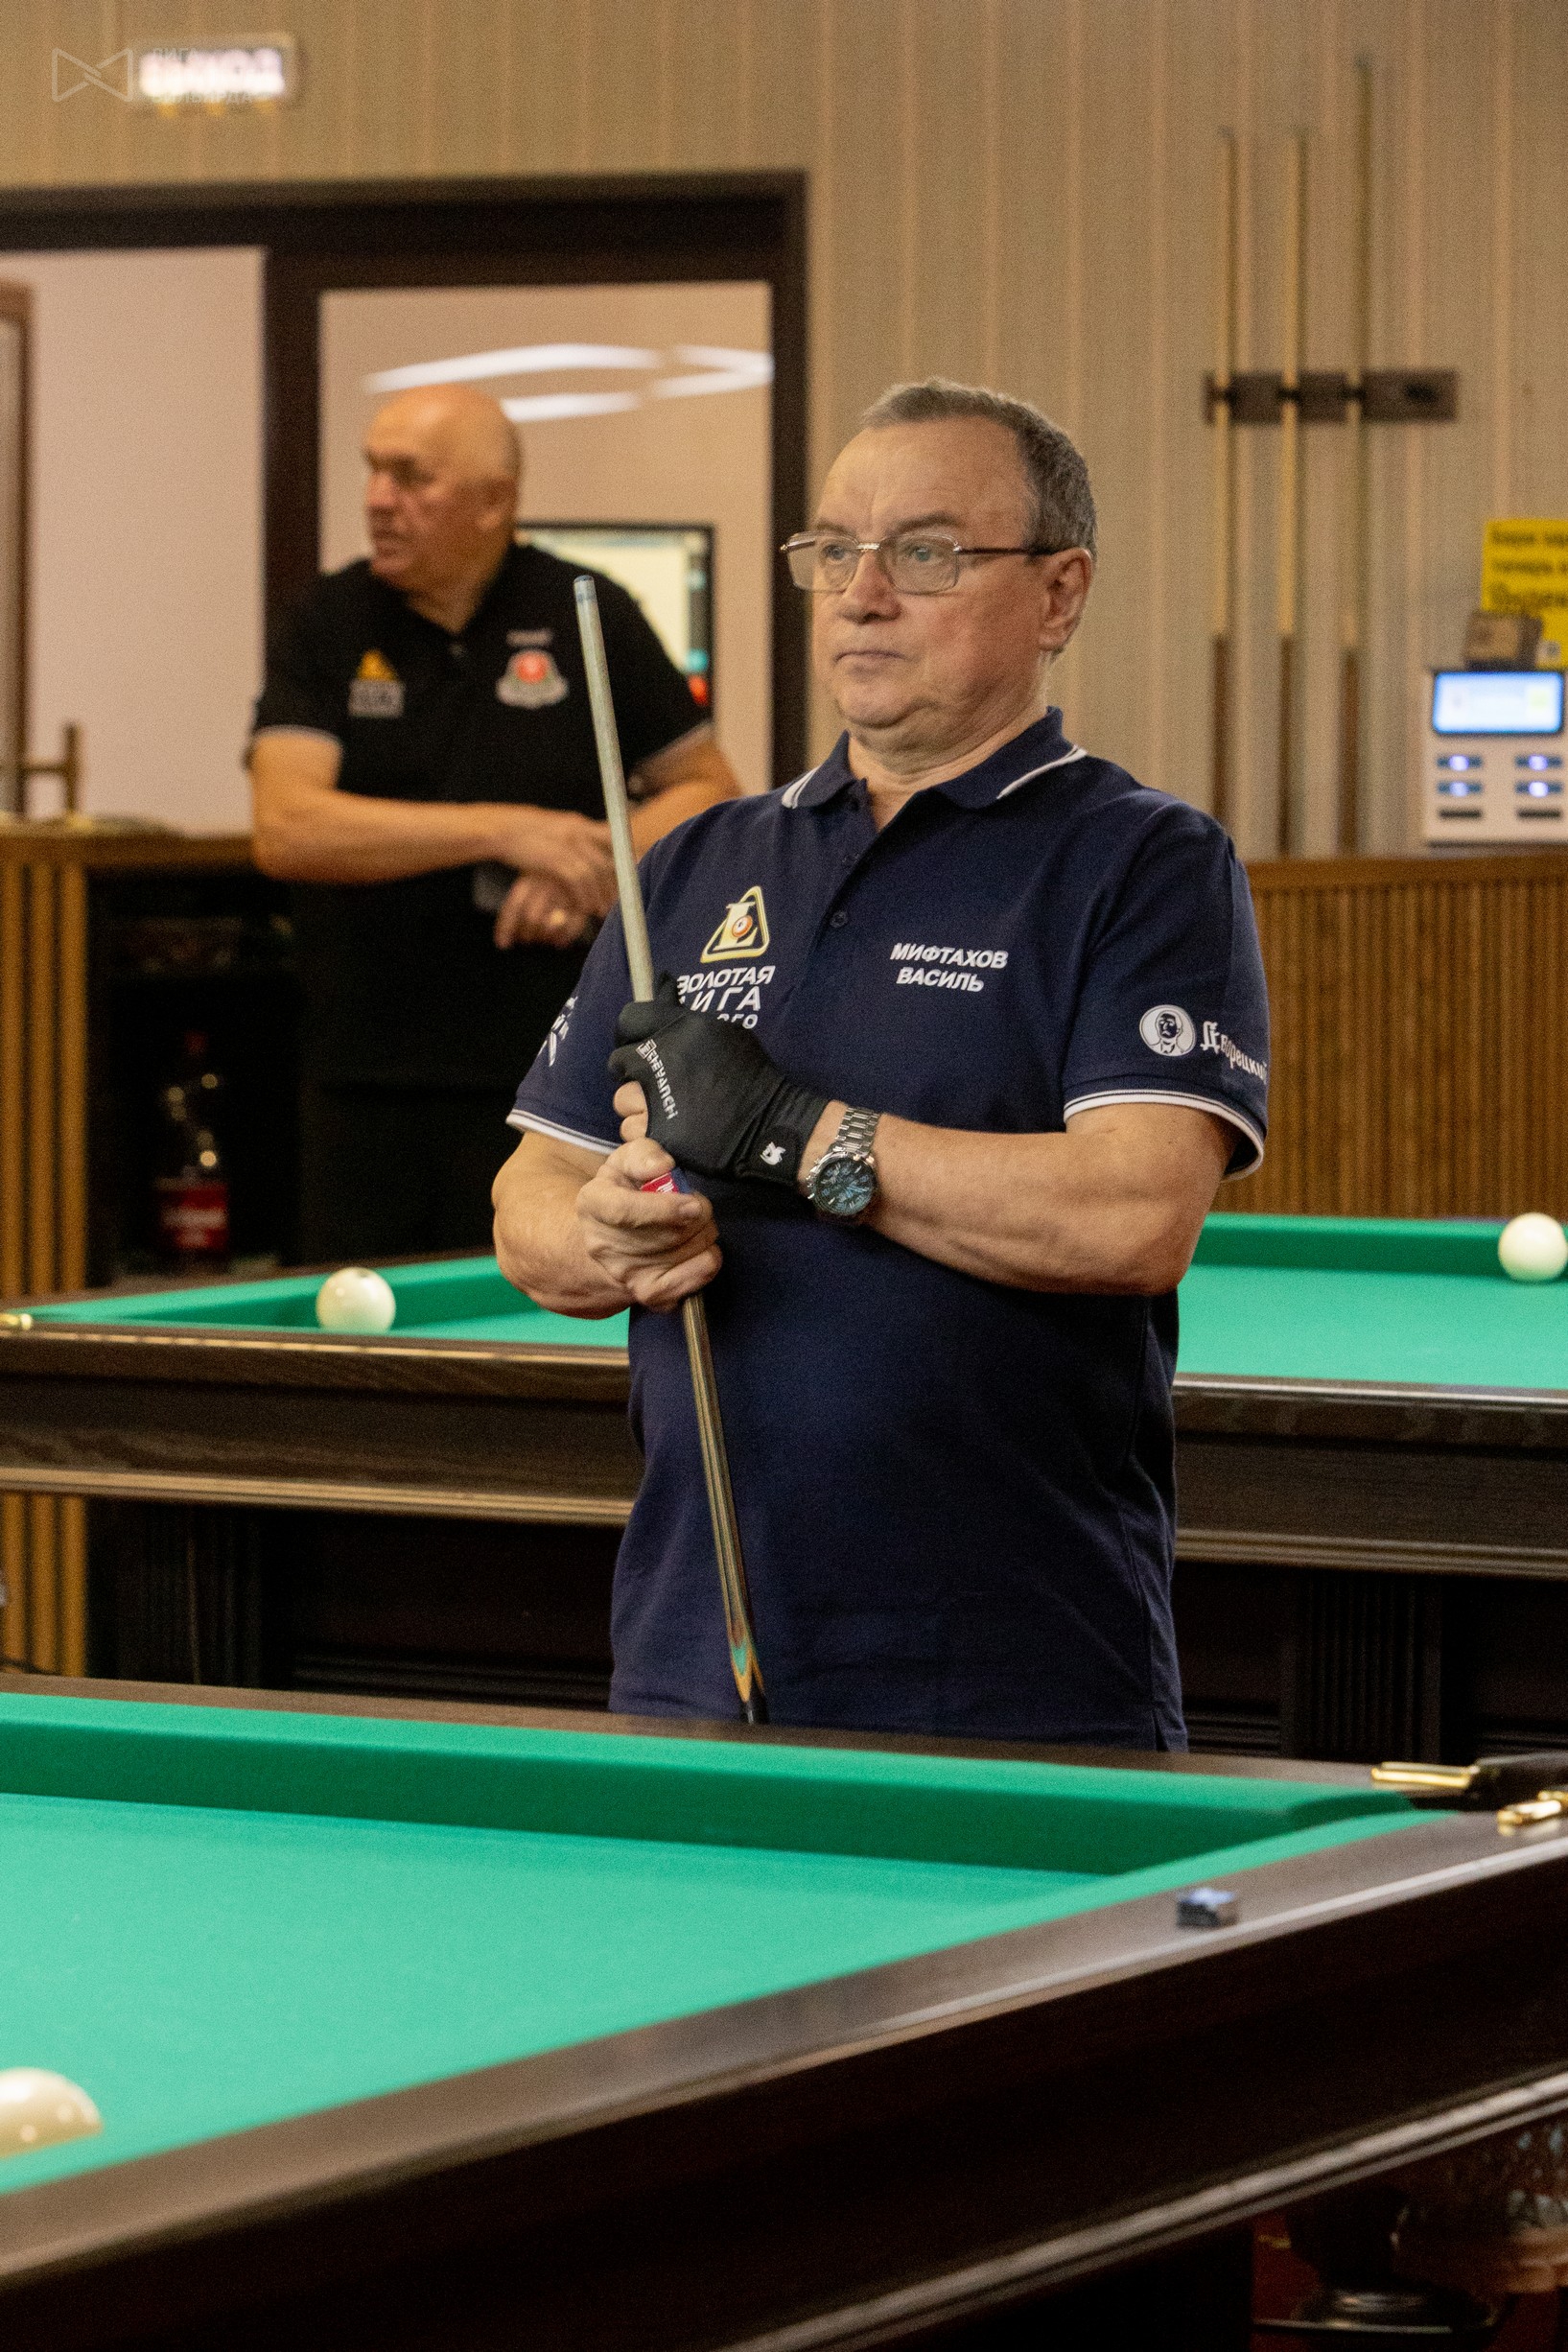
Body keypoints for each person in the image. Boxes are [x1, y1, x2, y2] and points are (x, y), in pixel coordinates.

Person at [493, 378, 1269, 1747]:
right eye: (833, 550)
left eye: (924, 553)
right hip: (691, 1652)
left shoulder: (1141, 860)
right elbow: (529, 1198)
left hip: (1014, 1668)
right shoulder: (693, 864)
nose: (861, 594)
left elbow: (1134, 1214)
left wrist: (793, 1133)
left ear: (1058, 593)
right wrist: (605, 1235)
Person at [249, 384, 737, 1259]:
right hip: (365, 1071)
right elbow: (287, 826)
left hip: (554, 1079)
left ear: (494, 501)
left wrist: (585, 866)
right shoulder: (327, 620)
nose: (378, 499)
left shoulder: (586, 607)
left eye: (410, 477)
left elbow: (705, 788)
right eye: (372, 472)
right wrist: (508, 831)